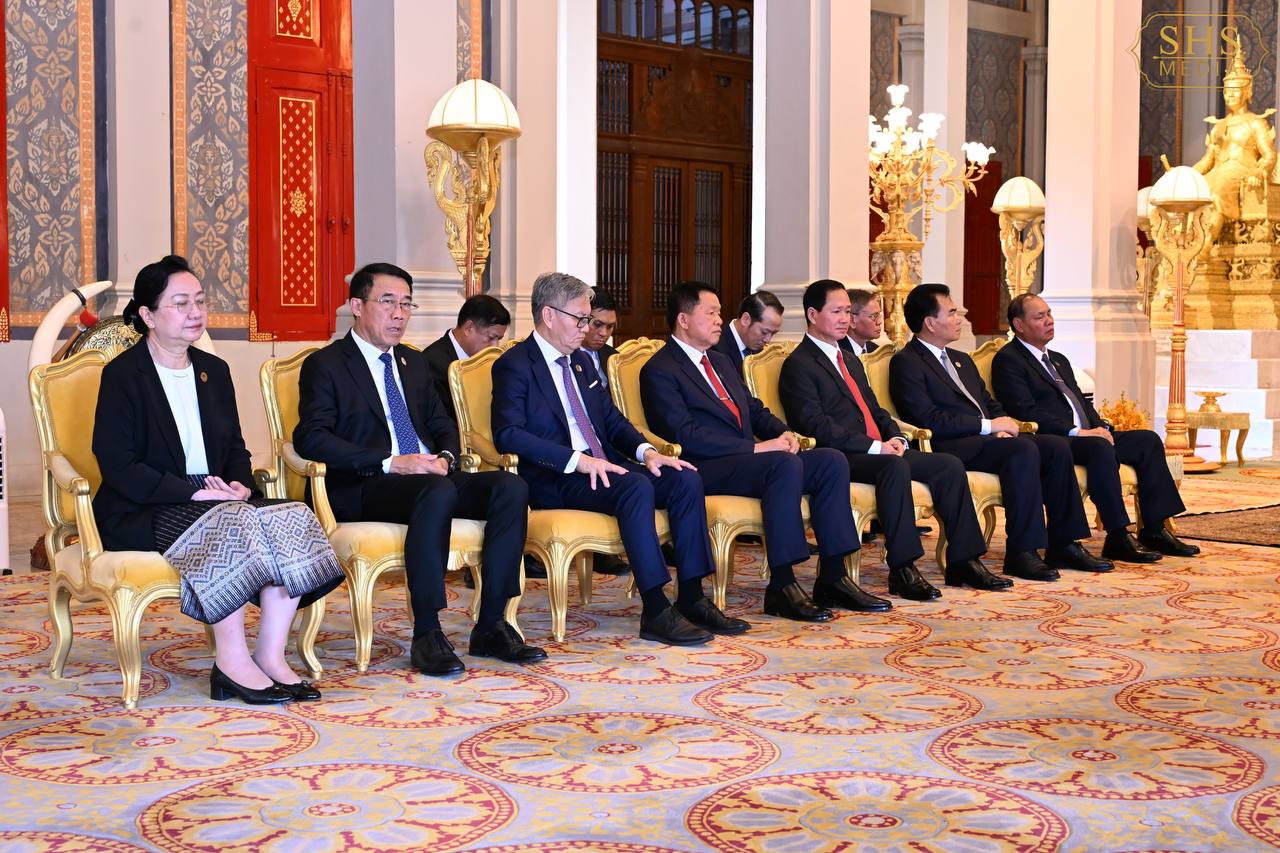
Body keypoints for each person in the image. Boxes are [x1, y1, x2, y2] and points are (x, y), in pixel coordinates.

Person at [93, 255, 343, 704]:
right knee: (232, 521)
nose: (195, 312)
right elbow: (118, 465)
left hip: (214, 495)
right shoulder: (123, 375)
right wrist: (194, 492)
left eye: (200, 301)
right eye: (181, 303)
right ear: (148, 315)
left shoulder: (215, 370)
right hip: (144, 504)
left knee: (292, 515)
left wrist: (240, 483)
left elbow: (234, 448)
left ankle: (269, 655)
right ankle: (231, 662)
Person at [295, 262, 545, 677]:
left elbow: (442, 424)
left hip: (428, 478)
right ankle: (427, 631)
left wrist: (445, 458)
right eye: (388, 302)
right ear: (357, 306)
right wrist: (392, 462)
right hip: (367, 483)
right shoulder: (327, 364)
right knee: (438, 491)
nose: (399, 314)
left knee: (509, 487)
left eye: (406, 304)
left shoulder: (413, 362)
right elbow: (311, 438)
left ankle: (492, 624)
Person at [492, 272, 730, 646]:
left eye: (588, 319)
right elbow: (508, 434)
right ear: (549, 315)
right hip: (557, 476)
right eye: (580, 319)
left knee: (684, 478)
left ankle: (692, 596)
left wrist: (648, 452)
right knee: (633, 486)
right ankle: (656, 609)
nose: (586, 328)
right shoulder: (516, 364)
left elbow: (612, 419)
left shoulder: (583, 363)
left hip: (604, 467)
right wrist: (577, 460)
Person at [640, 281, 882, 620]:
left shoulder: (721, 362)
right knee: (781, 465)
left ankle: (833, 576)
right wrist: (756, 449)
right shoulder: (660, 369)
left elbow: (753, 410)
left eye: (719, 313)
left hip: (746, 462)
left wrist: (784, 432)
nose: (719, 320)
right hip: (704, 466)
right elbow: (686, 435)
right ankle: (782, 585)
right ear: (683, 319)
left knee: (830, 461)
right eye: (711, 313)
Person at [780, 280, 1006, 599]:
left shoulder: (850, 360)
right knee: (893, 467)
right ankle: (903, 569)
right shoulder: (799, 364)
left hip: (877, 449)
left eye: (848, 311)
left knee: (947, 465)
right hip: (843, 455)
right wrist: (875, 447)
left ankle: (964, 561)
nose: (845, 319)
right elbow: (815, 424)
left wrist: (895, 436)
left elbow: (875, 410)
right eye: (837, 312)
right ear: (813, 315)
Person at [888, 283, 1113, 582]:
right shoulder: (907, 362)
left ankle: (1064, 543)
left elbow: (988, 403)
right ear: (930, 322)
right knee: (1023, 449)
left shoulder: (960, 359)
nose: (958, 318)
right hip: (949, 445)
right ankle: (1022, 552)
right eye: (951, 313)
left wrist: (1002, 424)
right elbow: (928, 418)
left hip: (986, 441)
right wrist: (989, 427)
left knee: (1054, 446)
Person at [992, 294, 1198, 560]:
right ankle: (1118, 536)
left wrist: (1101, 427)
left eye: (1049, 313)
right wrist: (1078, 432)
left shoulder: (1058, 359)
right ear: (1019, 325)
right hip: (1055, 440)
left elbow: (1081, 403)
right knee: (1099, 447)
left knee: (1147, 440)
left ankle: (1154, 530)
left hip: (1088, 435)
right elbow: (1024, 411)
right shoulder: (1009, 360)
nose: (1049, 321)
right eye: (1040, 317)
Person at [578, 287, 630, 576]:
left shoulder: (614, 357)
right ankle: (601, 549)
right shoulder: (568, 356)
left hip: (613, 435)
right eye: (597, 324)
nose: (603, 333)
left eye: (610, 327)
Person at [422, 294, 510, 424]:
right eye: (491, 338)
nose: (495, 347)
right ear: (469, 328)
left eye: (499, 339)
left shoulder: (492, 360)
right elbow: (441, 423)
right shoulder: (432, 363)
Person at [711, 290, 784, 376]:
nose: (767, 340)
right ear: (746, 320)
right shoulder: (715, 347)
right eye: (764, 332)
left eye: (773, 333)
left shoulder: (761, 352)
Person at [842, 287, 883, 356]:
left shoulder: (877, 352)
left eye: (879, 315)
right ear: (852, 320)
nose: (879, 322)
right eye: (873, 316)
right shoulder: (837, 353)